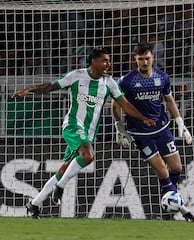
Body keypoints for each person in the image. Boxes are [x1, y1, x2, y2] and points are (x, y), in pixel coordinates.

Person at [12, 47, 155, 219]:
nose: (108, 64)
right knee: (88, 156)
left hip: (88, 133)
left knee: (64, 168)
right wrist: (28, 90)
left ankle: (34, 203)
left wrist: (143, 118)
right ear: (93, 62)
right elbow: (50, 87)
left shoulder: (109, 83)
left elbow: (124, 104)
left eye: (109, 61)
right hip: (73, 125)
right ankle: (61, 187)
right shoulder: (76, 75)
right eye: (104, 61)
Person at [111, 42, 194, 222]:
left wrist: (180, 123)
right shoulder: (126, 81)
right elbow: (115, 104)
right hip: (140, 134)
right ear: (135, 59)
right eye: (141, 59)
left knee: (176, 168)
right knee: (163, 173)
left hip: (163, 130)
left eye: (147, 58)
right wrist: (119, 129)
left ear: (152, 58)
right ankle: (179, 210)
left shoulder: (162, 77)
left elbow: (169, 101)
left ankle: (169, 203)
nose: (144, 62)